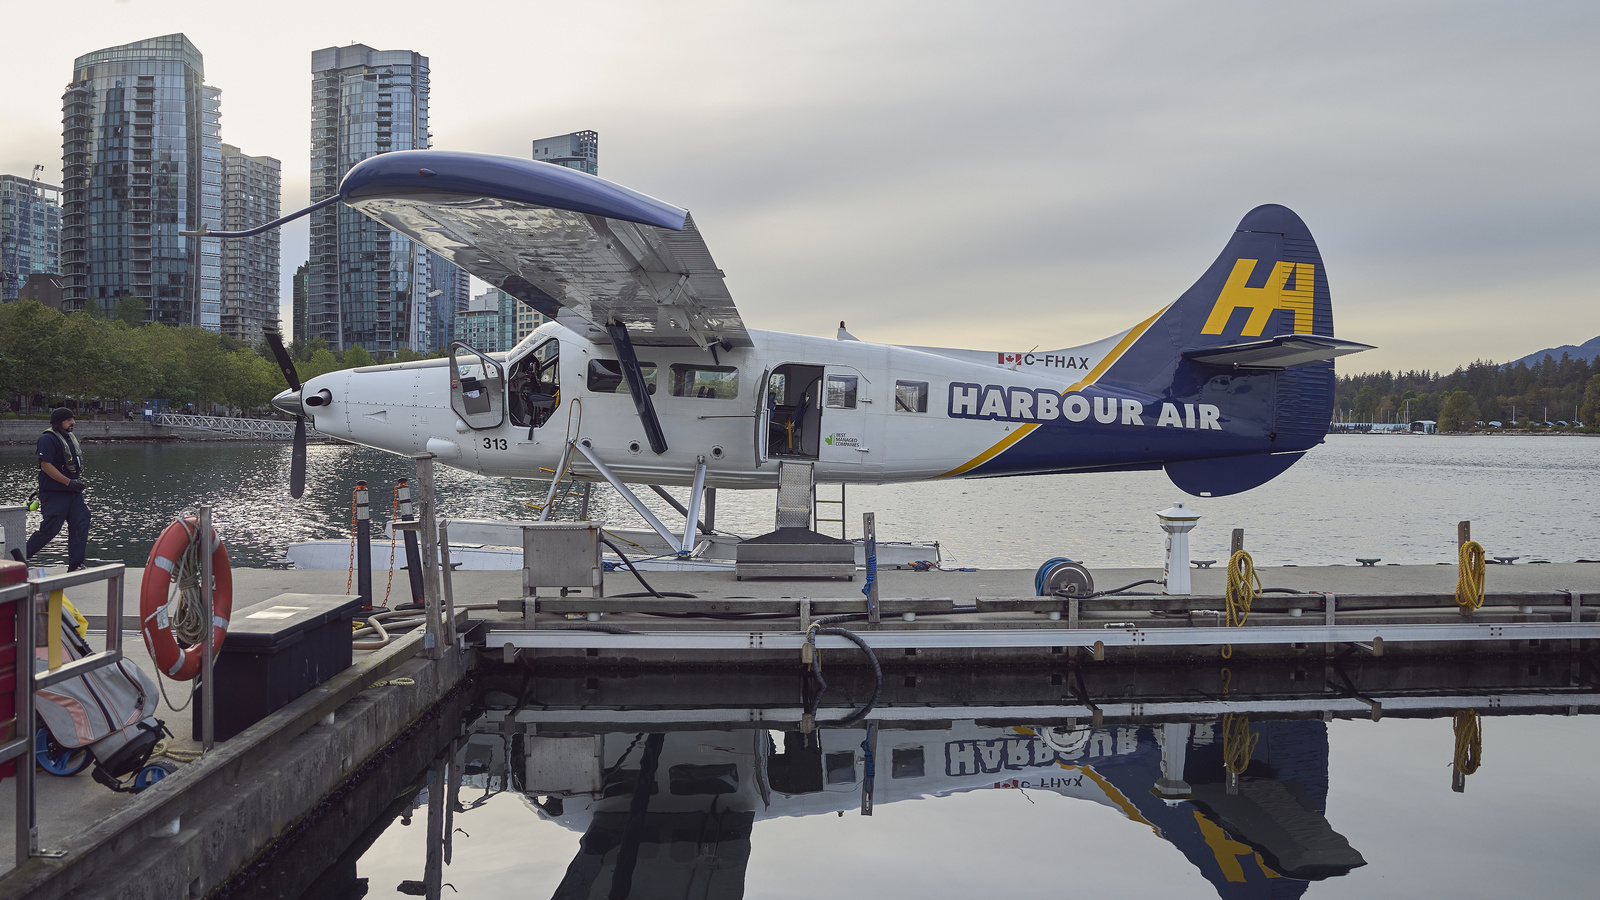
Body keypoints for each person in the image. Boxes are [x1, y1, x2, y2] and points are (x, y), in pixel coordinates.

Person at [26, 407, 91, 571]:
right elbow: (46, 466)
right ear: (59, 422)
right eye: (69, 420)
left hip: (73, 493)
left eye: (73, 419)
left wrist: (73, 484)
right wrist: (69, 482)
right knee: (49, 530)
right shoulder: (47, 439)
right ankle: (17, 560)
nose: (73, 422)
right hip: (55, 493)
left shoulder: (69, 437)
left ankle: (76, 565)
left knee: (81, 524)